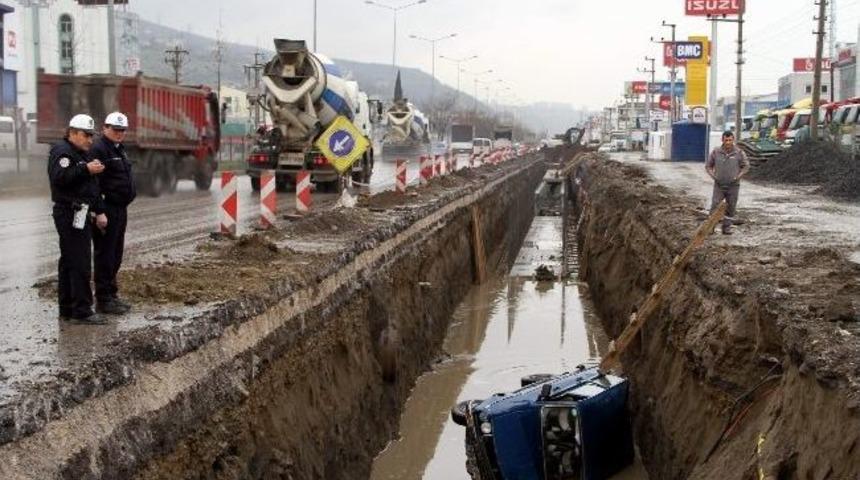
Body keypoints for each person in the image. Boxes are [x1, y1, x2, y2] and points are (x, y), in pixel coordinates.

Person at [48, 114, 108, 324]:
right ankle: (82, 310)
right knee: (80, 261)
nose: (90, 140)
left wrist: (99, 210)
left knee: (69, 261)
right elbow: (60, 178)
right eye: (86, 135)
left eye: (92, 136)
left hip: (80, 211)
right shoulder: (62, 152)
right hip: (68, 212)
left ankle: (67, 308)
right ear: (72, 132)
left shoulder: (81, 152)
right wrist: (85, 169)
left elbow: (91, 187)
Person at [89, 112, 136, 315]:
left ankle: (112, 294)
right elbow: (94, 185)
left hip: (119, 209)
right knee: (106, 255)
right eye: (115, 130)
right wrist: (99, 211)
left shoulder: (118, 148)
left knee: (116, 254)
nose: (119, 134)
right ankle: (103, 299)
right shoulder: (99, 149)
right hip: (107, 209)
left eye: (122, 130)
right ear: (105, 128)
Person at [706, 130, 750, 235]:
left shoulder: (739, 153)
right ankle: (710, 227)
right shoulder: (716, 152)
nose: (728, 142)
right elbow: (708, 166)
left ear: (733, 140)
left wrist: (738, 176)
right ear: (722, 140)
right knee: (715, 205)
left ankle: (726, 227)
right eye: (726, 140)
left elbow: (746, 166)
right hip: (719, 185)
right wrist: (714, 176)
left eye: (730, 140)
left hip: (733, 186)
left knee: (731, 206)